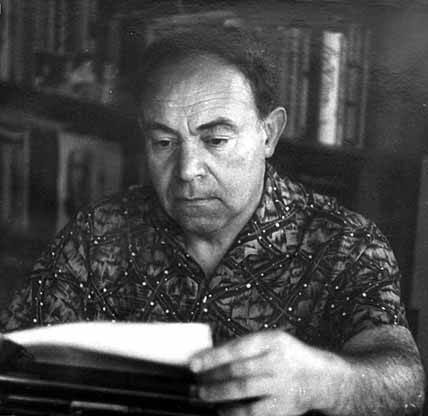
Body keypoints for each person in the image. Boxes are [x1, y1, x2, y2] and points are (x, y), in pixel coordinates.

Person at [0, 29, 425, 415]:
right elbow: (13, 357)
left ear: (269, 133)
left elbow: (405, 383)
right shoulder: (99, 234)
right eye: (164, 142)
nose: (187, 170)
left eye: (216, 140)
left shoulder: (345, 243)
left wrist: (323, 382)